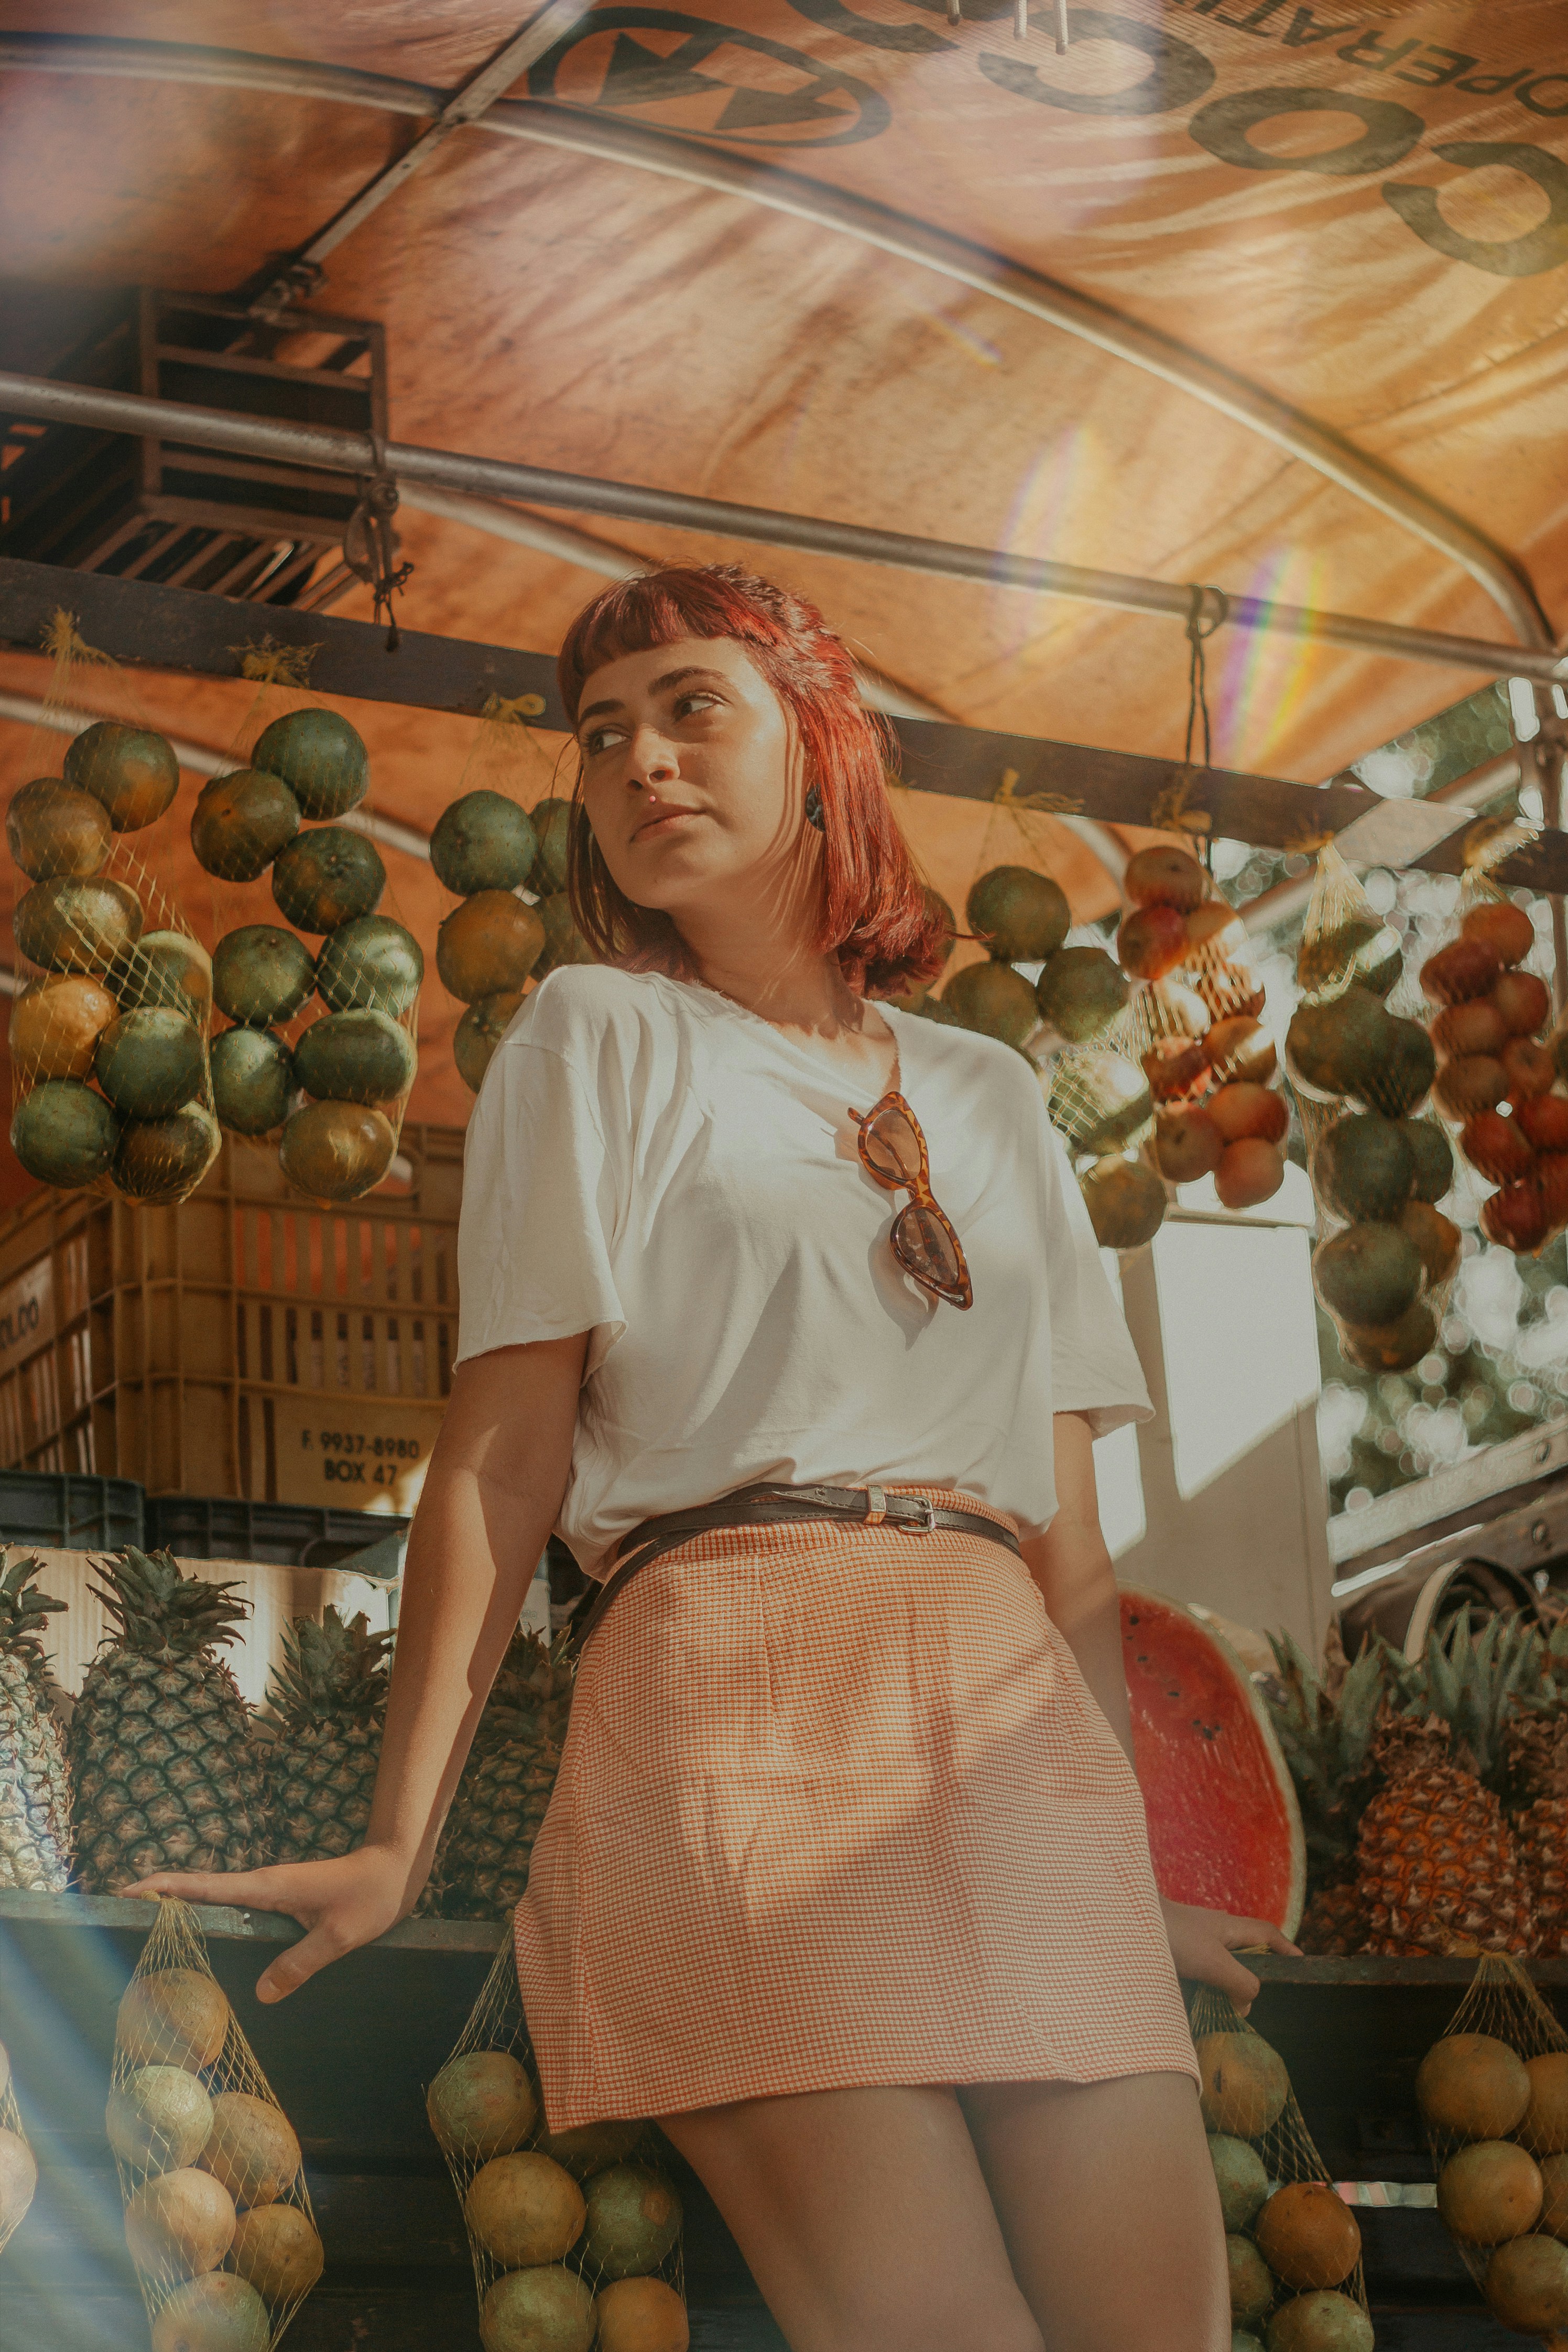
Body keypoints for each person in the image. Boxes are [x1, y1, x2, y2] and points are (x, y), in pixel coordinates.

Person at [130, 564, 1297, 2352]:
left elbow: (1067, 1555)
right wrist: (395, 1840)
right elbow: (499, 1469)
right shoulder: (592, 1040)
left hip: (1012, 1729)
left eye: (693, 710)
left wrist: (1126, 1859)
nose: (641, 765)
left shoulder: (990, 1097)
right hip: (734, 1693)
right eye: (605, 738)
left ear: (823, 751)